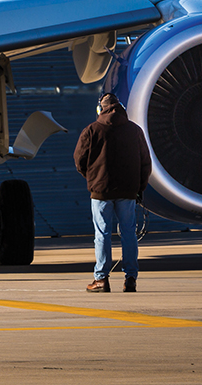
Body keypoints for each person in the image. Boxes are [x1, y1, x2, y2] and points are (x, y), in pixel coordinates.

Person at [74, 92, 152, 293]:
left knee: (102, 234)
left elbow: (79, 160)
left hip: (101, 191)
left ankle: (101, 279)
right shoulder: (135, 131)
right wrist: (139, 187)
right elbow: (145, 162)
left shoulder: (91, 130)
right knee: (129, 233)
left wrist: (92, 179)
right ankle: (131, 278)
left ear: (100, 109)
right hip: (127, 191)